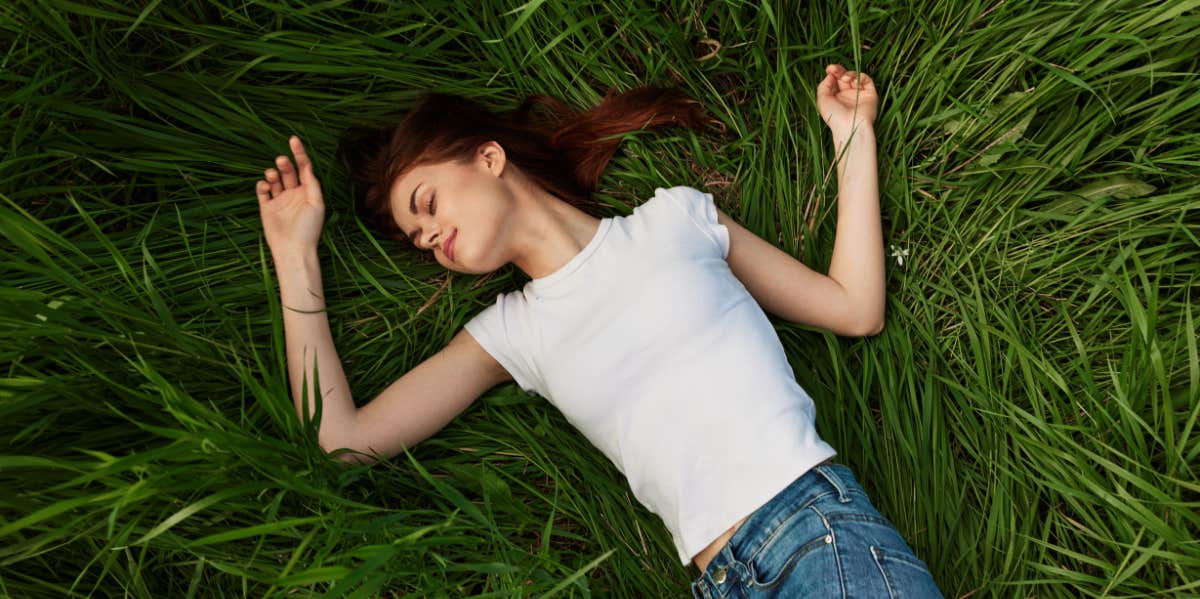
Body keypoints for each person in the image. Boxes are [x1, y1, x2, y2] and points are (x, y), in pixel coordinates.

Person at [255, 64, 943, 597]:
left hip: (814, 533)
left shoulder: (675, 220)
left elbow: (855, 307)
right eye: (419, 239)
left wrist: (853, 136)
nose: (431, 234)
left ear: (487, 157)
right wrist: (295, 259)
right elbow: (345, 443)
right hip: (719, 579)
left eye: (427, 203)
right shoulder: (510, 334)